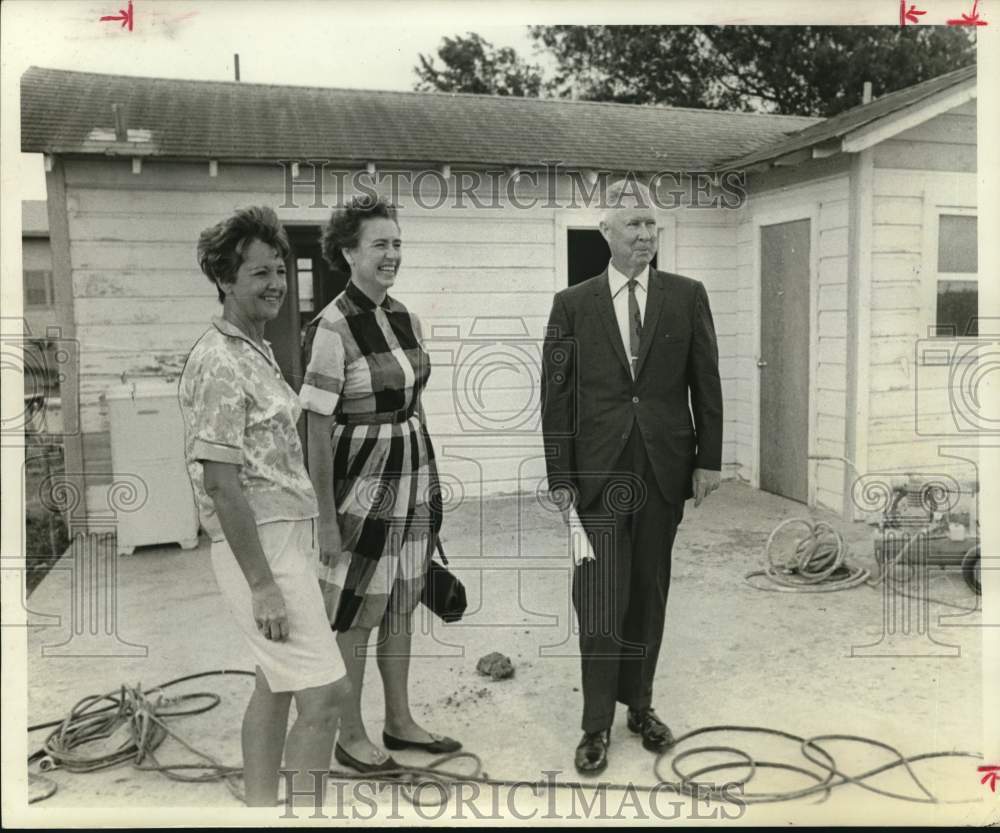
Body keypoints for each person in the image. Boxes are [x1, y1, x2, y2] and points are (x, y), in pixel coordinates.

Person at [541, 179, 723, 775]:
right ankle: (595, 725)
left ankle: (639, 707)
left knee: (648, 589)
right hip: (597, 473)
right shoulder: (572, 304)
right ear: (606, 234)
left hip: (663, 467)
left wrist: (708, 460)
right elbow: (556, 397)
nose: (645, 234)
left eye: (651, 224)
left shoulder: (686, 295)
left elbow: (706, 382)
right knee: (599, 597)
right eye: (633, 225)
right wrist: (560, 475)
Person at [178, 206, 349, 806]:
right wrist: (263, 585)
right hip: (261, 547)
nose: (276, 283)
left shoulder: (255, 348)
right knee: (325, 696)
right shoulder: (219, 361)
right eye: (259, 274)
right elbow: (223, 485)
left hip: (283, 535)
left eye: (280, 269)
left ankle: (259, 812)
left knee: (275, 685)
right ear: (225, 279)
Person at [299, 195, 460, 774]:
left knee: (401, 602)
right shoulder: (331, 328)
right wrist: (324, 517)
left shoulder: (404, 317)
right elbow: (316, 432)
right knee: (356, 610)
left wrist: (430, 484)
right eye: (378, 245)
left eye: (396, 243)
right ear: (348, 253)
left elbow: (413, 404)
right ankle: (350, 733)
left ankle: (400, 720)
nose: (391, 254)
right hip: (360, 485)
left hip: (412, 474)